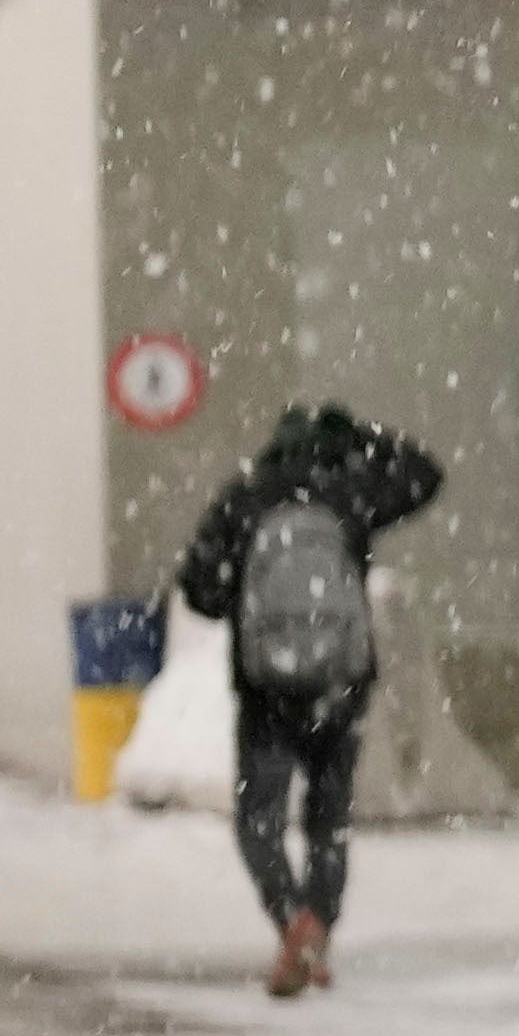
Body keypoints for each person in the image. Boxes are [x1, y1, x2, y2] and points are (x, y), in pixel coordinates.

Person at [168, 401, 442, 996]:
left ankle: (290, 918)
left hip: (268, 688)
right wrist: (363, 433)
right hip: (339, 683)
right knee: (328, 822)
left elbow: (198, 592)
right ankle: (319, 925)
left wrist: (248, 599)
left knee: (258, 820)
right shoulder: (348, 494)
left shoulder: (247, 495)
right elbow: (426, 475)